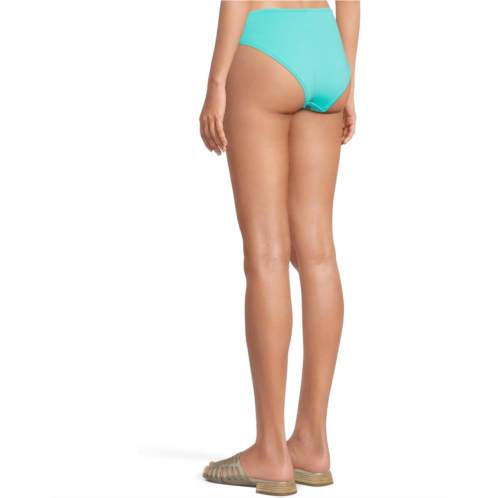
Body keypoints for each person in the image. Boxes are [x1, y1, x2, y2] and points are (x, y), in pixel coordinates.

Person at [200, 0, 360, 495]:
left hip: (266, 45)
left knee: (267, 255)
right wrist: (348, 80)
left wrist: (216, 82)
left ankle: (270, 453)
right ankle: (311, 443)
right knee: (319, 254)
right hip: (328, 49)